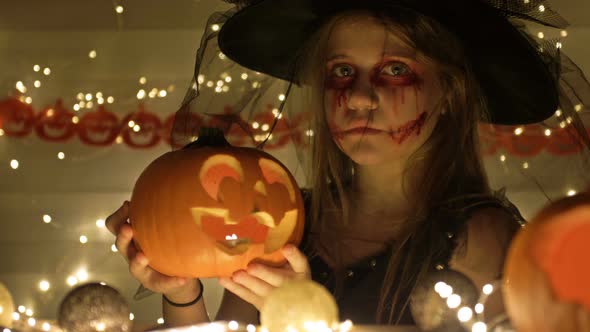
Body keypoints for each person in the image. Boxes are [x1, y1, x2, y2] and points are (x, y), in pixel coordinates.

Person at [107, 0, 590, 328]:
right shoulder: (285, 219)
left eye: (396, 70)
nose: (359, 98)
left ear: (451, 93)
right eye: (342, 72)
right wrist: (182, 292)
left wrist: (306, 315)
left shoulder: (478, 238)